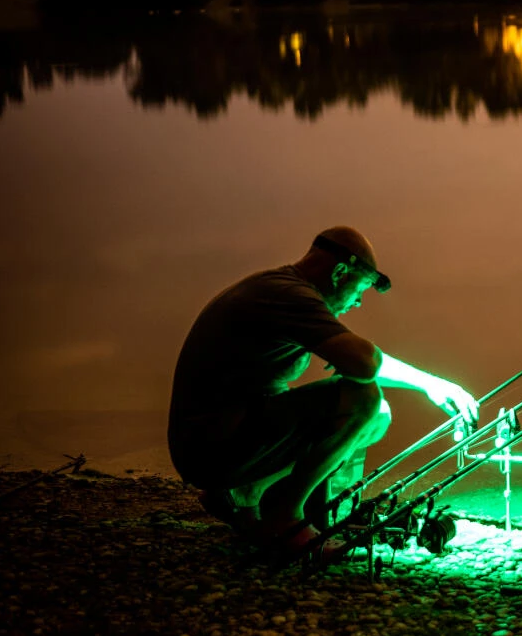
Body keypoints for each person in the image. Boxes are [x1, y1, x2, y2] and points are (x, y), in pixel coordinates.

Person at [168, 226, 479, 558]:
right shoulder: (290, 295)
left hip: (219, 439)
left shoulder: (281, 292)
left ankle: (244, 494)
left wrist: (430, 384)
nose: (358, 302)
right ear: (340, 272)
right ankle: (284, 519)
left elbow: (359, 360)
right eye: (359, 290)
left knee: (378, 415)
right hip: (211, 447)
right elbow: (364, 363)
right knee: (365, 400)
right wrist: (360, 359)